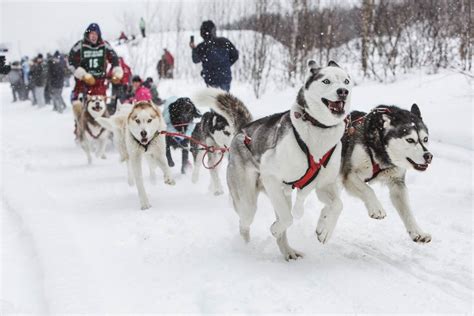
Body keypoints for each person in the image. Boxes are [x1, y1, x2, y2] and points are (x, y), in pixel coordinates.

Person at [68, 23, 122, 110]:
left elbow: (114, 58)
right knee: (83, 110)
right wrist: (83, 75)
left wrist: (117, 72)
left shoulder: (104, 45)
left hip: (99, 83)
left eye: (96, 34)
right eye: (92, 34)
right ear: (88, 34)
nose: (94, 36)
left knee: (100, 109)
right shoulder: (80, 45)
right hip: (83, 84)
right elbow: (71, 61)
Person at [190, 20, 239, 92]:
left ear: (202, 32)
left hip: (211, 79)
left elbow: (195, 59)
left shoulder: (203, 46)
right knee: (223, 101)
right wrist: (225, 65)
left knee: (213, 101)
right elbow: (235, 55)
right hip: (225, 78)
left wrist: (194, 49)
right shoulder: (225, 42)